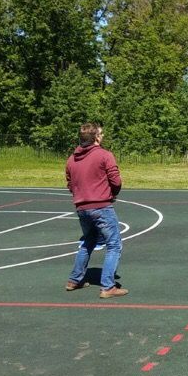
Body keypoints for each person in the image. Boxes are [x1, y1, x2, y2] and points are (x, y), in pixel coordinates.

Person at [65, 123, 128, 299]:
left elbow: (70, 184)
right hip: (101, 207)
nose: (102, 136)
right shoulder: (105, 155)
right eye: (101, 134)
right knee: (114, 244)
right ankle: (108, 286)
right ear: (96, 138)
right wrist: (111, 194)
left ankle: (74, 280)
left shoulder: (71, 159)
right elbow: (116, 181)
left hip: (82, 208)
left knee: (88, 241)